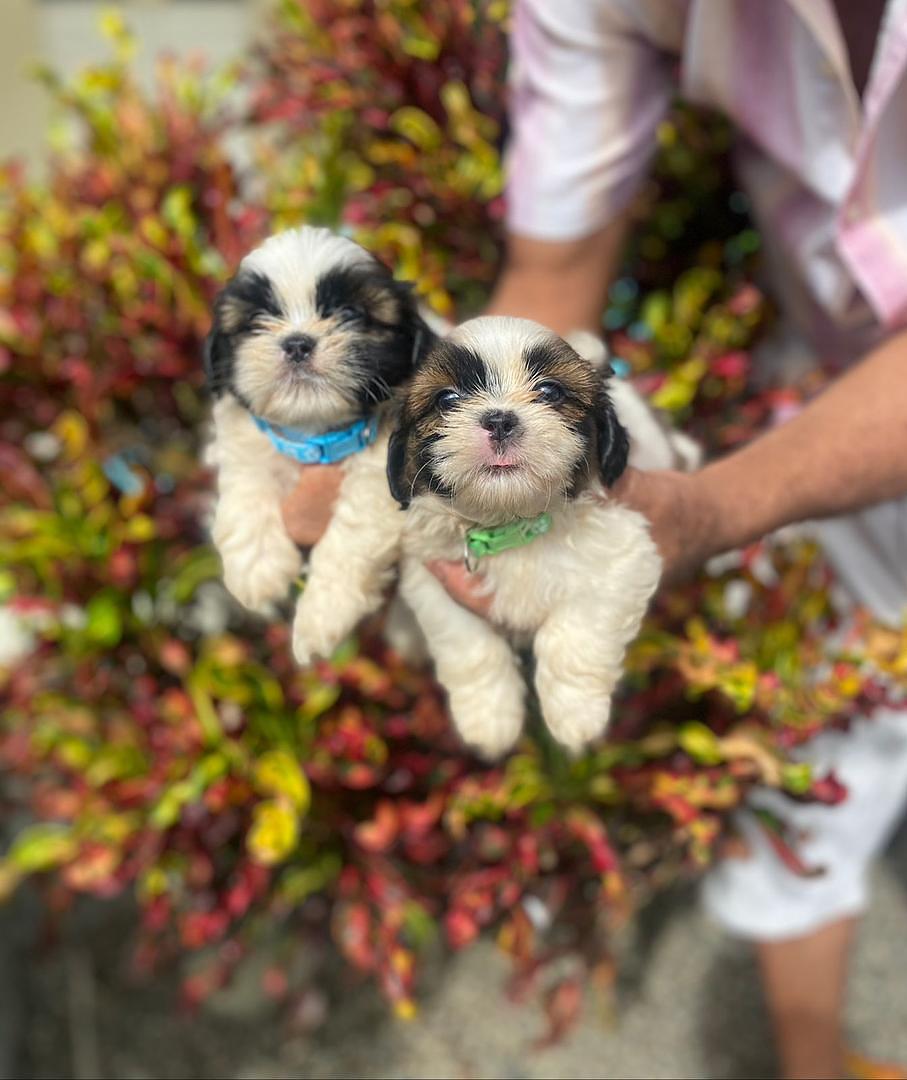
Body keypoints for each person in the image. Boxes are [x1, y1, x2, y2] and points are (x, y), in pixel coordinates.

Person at [281, 3, 907, 1076]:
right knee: (831, 719)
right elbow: (554, 280)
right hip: (835, 372)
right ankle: (815, 1061)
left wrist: (715, 506)